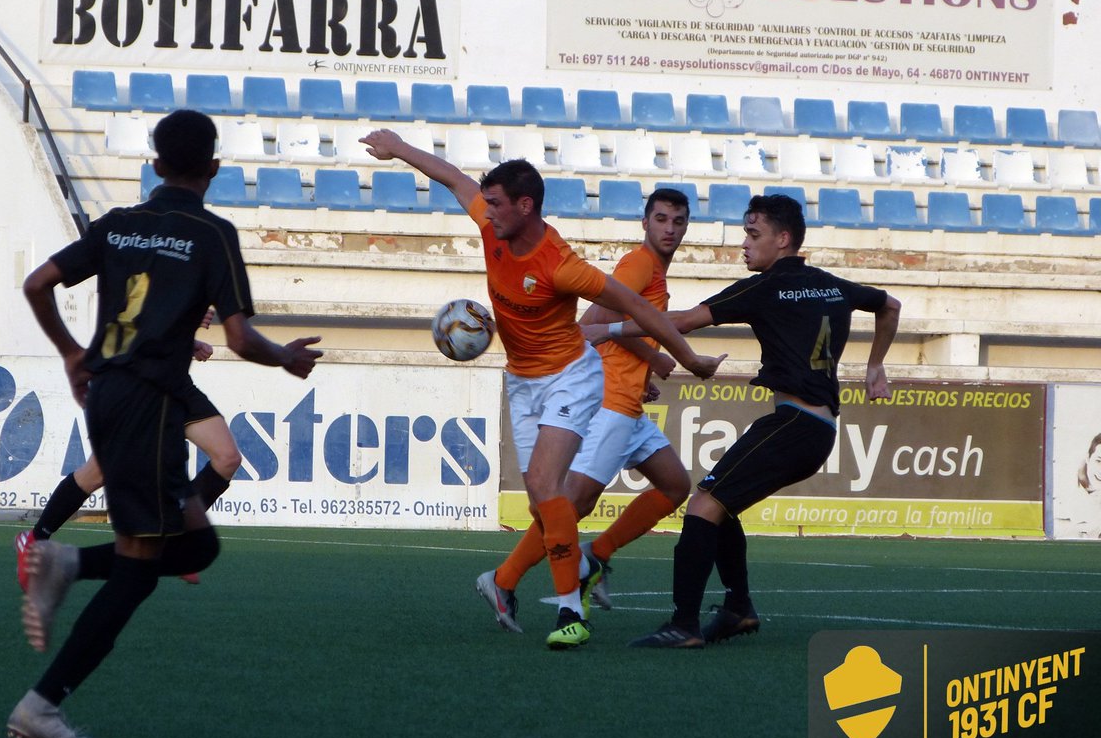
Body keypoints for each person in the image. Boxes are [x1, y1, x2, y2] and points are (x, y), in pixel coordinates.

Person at [7, 109, 323, 738]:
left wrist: (72, 352)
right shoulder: (212, 233)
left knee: (197, 547)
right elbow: (237, 336)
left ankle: (62, 561)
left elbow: (38, 283)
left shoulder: (119, 225)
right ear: (214, 168)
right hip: (151, 400)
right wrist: (286, 357)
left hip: (117, 393)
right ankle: (41, 703)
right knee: (138, 566)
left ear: (153, 166)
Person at [359, 129, 725, 650]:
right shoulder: (492, 225)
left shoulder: (561, 266)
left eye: (496, 204)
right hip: (522, 380)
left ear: (524, 207)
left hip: (572, 376)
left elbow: (637, 311)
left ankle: (568, 614)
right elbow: (452, 178)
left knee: (551, 487)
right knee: (543, 497)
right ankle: (524, 582)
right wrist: (398, 149)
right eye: (485, 203)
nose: (485, 210)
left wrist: (686, 359)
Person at [587, 193, 901, 648]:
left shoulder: (765, 286)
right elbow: (890, 305)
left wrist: (606, 330)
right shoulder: (831, 285)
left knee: (703, 504)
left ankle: (684, 625)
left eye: (753, 235)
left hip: (794, 425)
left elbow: (679, 321)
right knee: (723, 502)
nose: (745, 245)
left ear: (784, 238)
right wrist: (876, 365)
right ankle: (737, 609)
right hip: (816, 428)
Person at [485, 187, 699, 615]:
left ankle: (596, 555)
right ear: (644, 223)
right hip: (609, 401)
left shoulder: (654, 269)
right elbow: (594, 323)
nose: (669, 229)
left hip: (627, 399)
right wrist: (655, 356)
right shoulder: (639, 263)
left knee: (675, 485)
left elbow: (617, 326)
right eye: (660, 219)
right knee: (571, 502)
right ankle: (503, 579)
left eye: (677, 221)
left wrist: (646, 366)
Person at [14, 334, 239, 590]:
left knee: (227, 458)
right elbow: (136, 324)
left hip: (174, 385)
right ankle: (34, 538)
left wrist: (186, 339)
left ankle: (173, 541)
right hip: (131, 384)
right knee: (98, 472)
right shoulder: (133, 296)